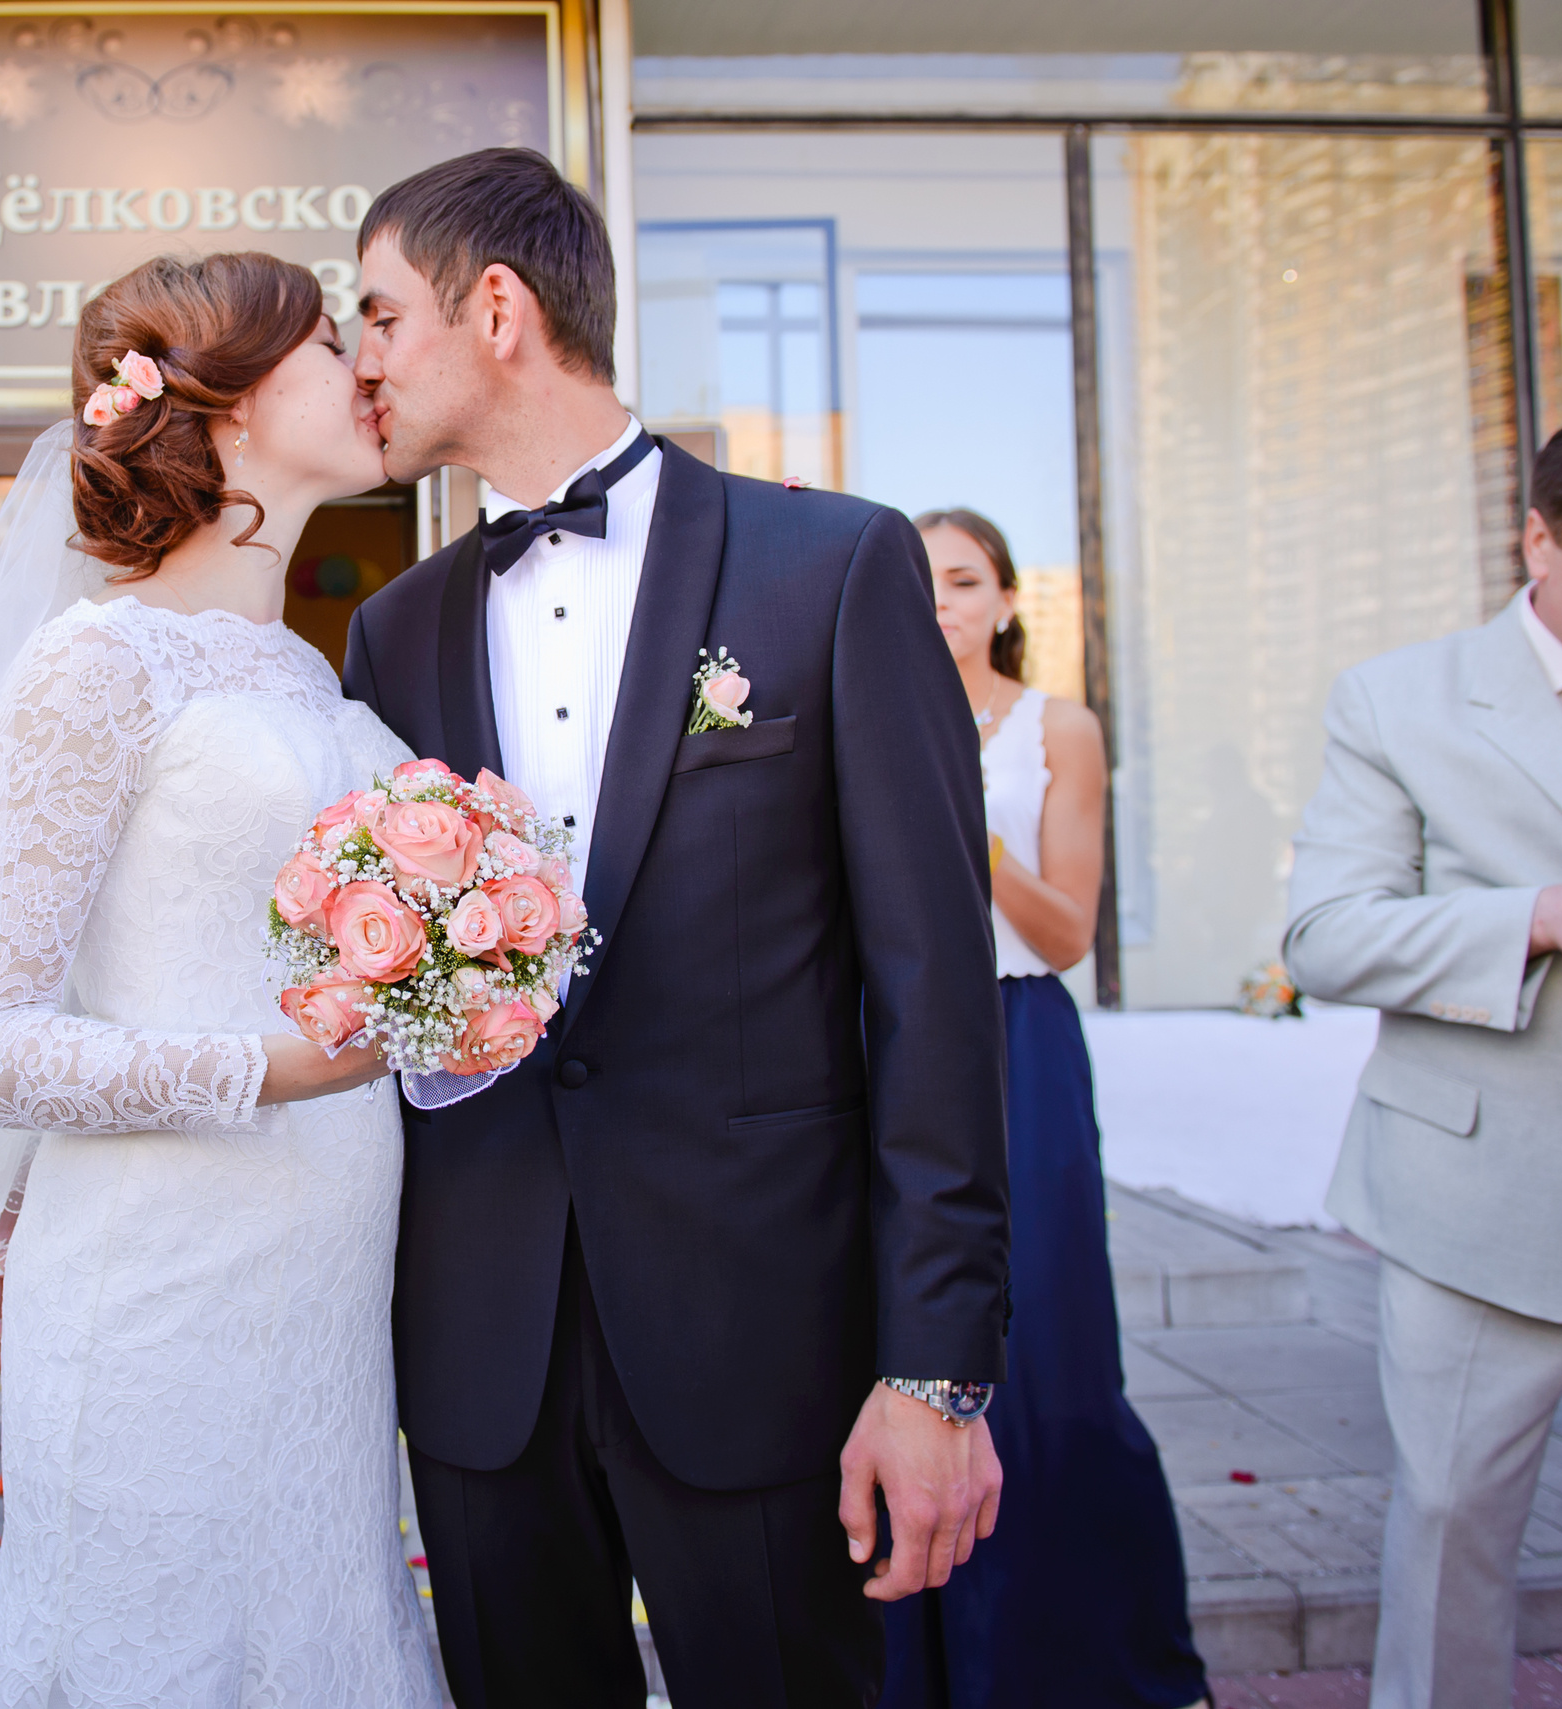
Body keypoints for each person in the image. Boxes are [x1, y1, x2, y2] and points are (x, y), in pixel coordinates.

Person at [341, 149, 1009, 1704]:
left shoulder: (833, 565)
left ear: (493, 307)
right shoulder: (394, 626)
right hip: (482, 1352)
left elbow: (933, 994)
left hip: (760, 1337)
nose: (358, 356)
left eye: (378, 313)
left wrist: (934, 1370)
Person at [0, 251, 443, 1705]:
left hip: (327, 1273)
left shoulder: (300, 671)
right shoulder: (97, 663)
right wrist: (283, 1067)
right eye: (326, 341)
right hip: (161, 1275)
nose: (363, 364)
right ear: (219, 407)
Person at [1285, 403, 1562, 1709]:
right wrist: (1537, 919)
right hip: (1480, 1212)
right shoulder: (1394, 699)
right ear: (1538, 538)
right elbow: (1327, 937)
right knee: (1454, 1548)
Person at [880, 510, 1209, 1708]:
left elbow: (1067, 930)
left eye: (964, 581)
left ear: (1008, 601)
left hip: (1019, 1032)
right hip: (884, 1043)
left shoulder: (1057, 727)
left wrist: (960, 812)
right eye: (917, 583)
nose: (940, 604)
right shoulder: (861, 708)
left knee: (1048, 1336)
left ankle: (1061, 1658)